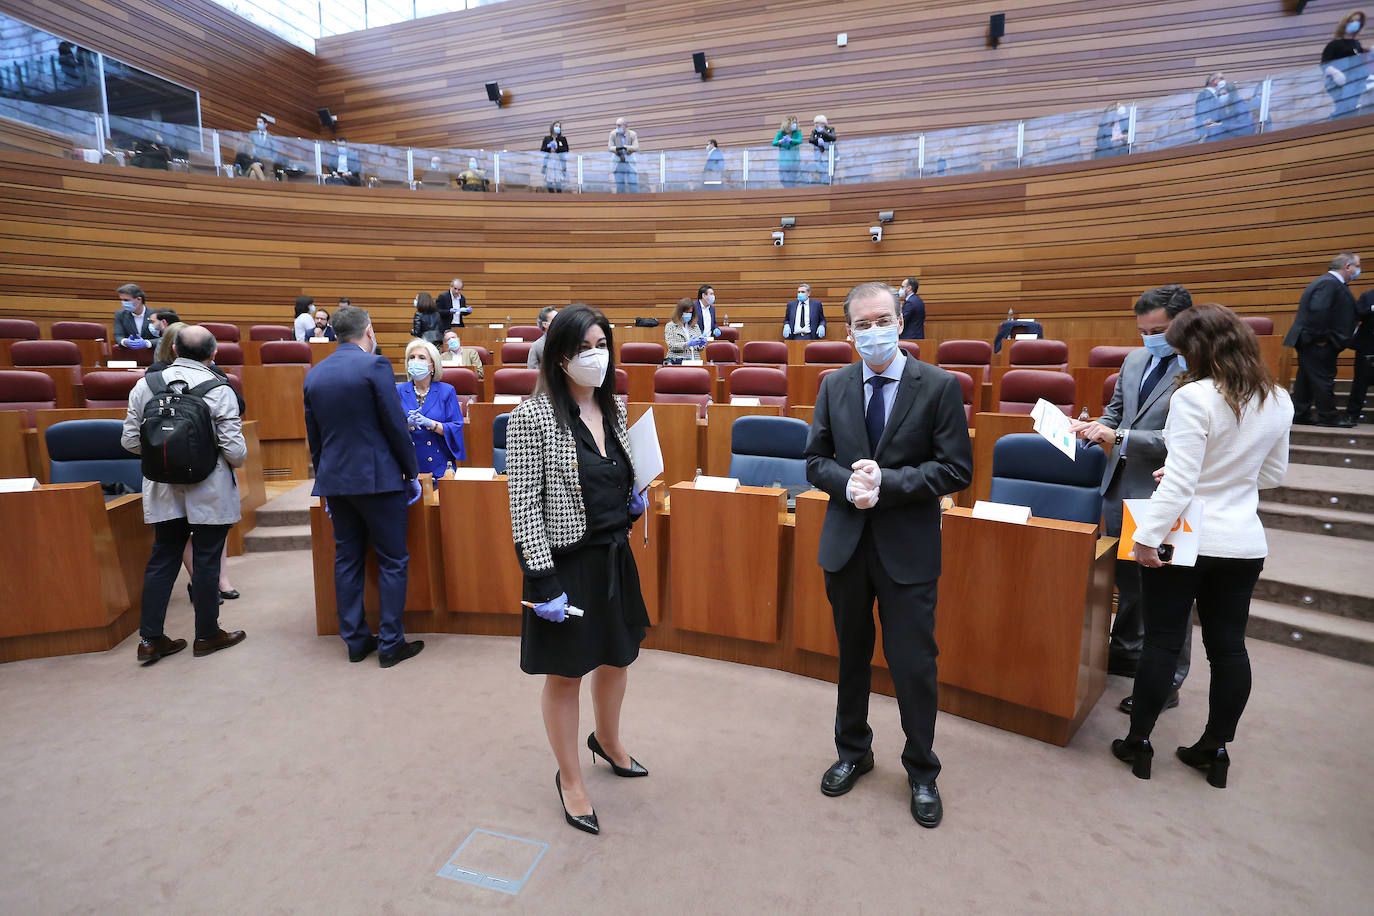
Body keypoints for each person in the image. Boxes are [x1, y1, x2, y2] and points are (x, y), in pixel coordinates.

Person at [804, 282, 973, 828]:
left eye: (882, 320)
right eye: (861, 323)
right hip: (847, 545)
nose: (872, 331)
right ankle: (853, 750)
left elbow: (956, 470)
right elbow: (815, 460)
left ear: (900, 323)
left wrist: (889, 482)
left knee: (913, 665)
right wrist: (846, 485)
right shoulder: (833, 385)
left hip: (908, 549)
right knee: (851, 657)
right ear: (848, 331)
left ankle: (922, 769)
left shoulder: (940, 386)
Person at [1111, 304, 1292, 787]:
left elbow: (1180, 485)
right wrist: (1224, 475)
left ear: (1199, 349)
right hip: (1244, 542)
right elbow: (1272, 475)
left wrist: (1146, 540)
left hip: (1186, 540)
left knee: (1163, 644)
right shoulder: (1278, 397)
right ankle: (1215, 748)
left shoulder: (1194, 397)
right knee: (1229, 648)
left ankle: (1139, 743)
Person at [506, 303, 651, 836]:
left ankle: (608, 742)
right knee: (566, 675)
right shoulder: (531, 417)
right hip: (563, 568)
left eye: (601, 345)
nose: (595, 356)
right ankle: (570, 778)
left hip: (614, 556)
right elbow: (523, 506)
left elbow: (619, 475)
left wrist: (632, 499)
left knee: (617, 659)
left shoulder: (613, 410)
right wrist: (542, 583)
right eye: (582, 348)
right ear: (559, 357)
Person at [1070, 285, 1195, 709]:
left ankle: (1167, 682)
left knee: (1168, 589)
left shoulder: (1201, 369)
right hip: (1120, 486)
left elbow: (1185, 439)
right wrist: (1089, 429)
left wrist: (1119, 434)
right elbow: (1116, 413)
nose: (1149, 338)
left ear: (1184, 321)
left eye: (1157, 329)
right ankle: (1126, 654)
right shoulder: (1136, 358)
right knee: (1127, 580)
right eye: (1143, 330)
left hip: (1165, 491)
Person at [303, 305, 424, 668]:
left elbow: (315, 437)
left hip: (337, 482)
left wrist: (324, 480)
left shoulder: (314, 374)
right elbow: (394, 423)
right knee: (392, 560)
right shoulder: (375, 365)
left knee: (348, 560)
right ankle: (390, 643)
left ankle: (355, 641)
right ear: (368, 331)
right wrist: (411, 471)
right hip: (379, 480)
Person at [121, 325, 247, 664]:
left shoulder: (144, 385)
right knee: (206, 559)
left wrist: (167, 455)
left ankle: (150, 640)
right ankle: (207, 635)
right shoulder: (220, 389)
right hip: (209, 487)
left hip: (162, 487)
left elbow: (130, 441)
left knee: (162, 558)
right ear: (213, 354)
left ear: (173, 348)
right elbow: (236, 452)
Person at [1285, 253, 1361, 427]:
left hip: (1310, 340)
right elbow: (1319, 311)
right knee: (1323, 378)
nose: (1358, 270)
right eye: (1357, 266)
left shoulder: (1330, 283)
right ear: (1347, 267)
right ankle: (1329, 416)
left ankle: (1300, 413)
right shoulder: (1329, 283)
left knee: (1306, 378)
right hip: (1316, 341)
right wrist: (1321, 338)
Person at [398, 339, 466, 477]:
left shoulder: (446, 391)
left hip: (439, 465)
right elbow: (388, 428)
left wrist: (431, 424)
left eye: (421, 358)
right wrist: (405, 424)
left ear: (432, 366)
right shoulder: (398, 391)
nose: (415, 361)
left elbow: (456, 427)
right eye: (412, 357)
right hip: (408, 467)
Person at [1321, 11, 1368, 120]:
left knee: (1351, 108)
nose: (1355, 23)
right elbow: (1324, 64)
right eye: (1352, 21)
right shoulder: (1334, 44)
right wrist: (1335, 72)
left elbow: (1360, 60)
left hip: (1356, 81)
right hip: (1340, 82)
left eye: (1357, 21)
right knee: (1344, 108)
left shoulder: (1356, 44)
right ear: (1345, 23)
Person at [1346, 286, 1374, 422]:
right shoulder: (1367, 295)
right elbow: (1357, 313)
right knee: (1360, 382)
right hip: (1367, 346)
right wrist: (1372, 309)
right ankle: (1352, 414)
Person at [114, 283, 160, 350]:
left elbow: (165, 338)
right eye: (122, 300)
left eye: (126, 300)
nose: (123, 303)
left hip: (152, 354)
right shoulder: (120, 315)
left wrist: (147, 343)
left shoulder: (155, 315)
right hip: (130, 354)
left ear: (139, 299)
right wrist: (125, 342)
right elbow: (118, 335)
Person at [608, 117, 639, 193]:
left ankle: (635, 202)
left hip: (629, 162)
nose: (617, 127)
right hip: (618, 162)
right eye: (616, 125)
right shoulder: (613, 134)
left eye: (619, 125)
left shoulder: (633, 134)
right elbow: (609, 147)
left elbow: (636, 147)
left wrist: (625, 148)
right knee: (620, 186)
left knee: (633, 184)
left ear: (625, 126)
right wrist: (617, 149)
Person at [1194, 73, 1228, 141]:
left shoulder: (1217, 96)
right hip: (1210, 137)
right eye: (1221, 78)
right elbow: (1205, 120)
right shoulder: (1204, 95)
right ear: (1213, 81)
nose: (1224, 81)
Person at [773, 115, 803, 187]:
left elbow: (800, 140)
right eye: (793, 122)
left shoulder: (797, 132)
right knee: (783, 180)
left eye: (795, 122)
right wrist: (781, 141)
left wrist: (791, 140)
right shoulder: (781, 133)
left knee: (792, 180)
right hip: (783, 162)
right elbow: (774, 143)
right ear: (788, 123)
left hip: (794, 162)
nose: (795, 124)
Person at [541, 120, 570, 192]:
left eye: (559, 126)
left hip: (559, 160)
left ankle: (559, 197)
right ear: (552, 127)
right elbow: (542, 149)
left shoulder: (562, 139)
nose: (558, 127)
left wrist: (557, 149)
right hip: (549, 160)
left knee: (558, 179)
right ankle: (552, 195)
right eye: (556, 126)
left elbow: (566, 149)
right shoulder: (547, 138)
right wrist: (549, 147)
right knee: (549, 179)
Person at [810, 115, 836, 182]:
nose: (815, 125)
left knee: (829, 170)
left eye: (817, 123)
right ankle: (824, 182)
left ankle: (829, 182)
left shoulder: (830, 129)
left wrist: (823, 132)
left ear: (823, 123)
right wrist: (818, 140)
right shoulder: (814, 132)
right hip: (819, 154)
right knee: (821, 169)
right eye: (815, 123)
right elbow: (811, 140)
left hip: (829, 154)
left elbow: (833, 138)